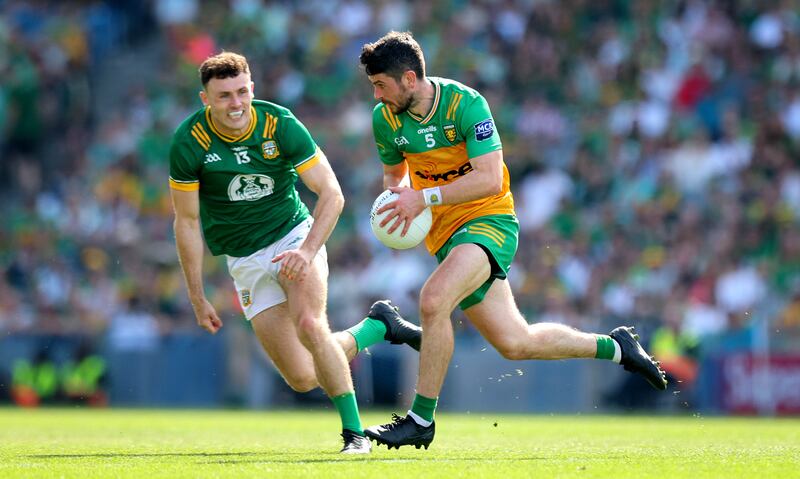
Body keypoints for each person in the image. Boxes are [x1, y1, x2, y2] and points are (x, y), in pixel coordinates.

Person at [358, 32, 667, 450]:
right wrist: (397, 207)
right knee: (516, 343)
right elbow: (394, 177)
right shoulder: (385, 119)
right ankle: (617, 348)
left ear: (409, 79)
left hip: (489, 220)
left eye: (381, 85)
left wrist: (424, 196)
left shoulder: (466, 104)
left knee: (434, 300)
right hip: (443, 233)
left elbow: (487, 179)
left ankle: (420, 420)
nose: (376, 95)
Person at [169, 51, 421, 454]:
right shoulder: (189, 141)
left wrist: (305, 251)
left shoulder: (279, 124)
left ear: (252, 88)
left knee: (310, 325)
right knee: (303, 377)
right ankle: (377, 326)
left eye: (241, 92)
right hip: (244, 261)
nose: (235, 104)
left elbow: (332, 194)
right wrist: (198, 297)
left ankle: (354, 436)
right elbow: (186, 222)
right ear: (206, 100)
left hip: (292, 237)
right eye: (224, 96)